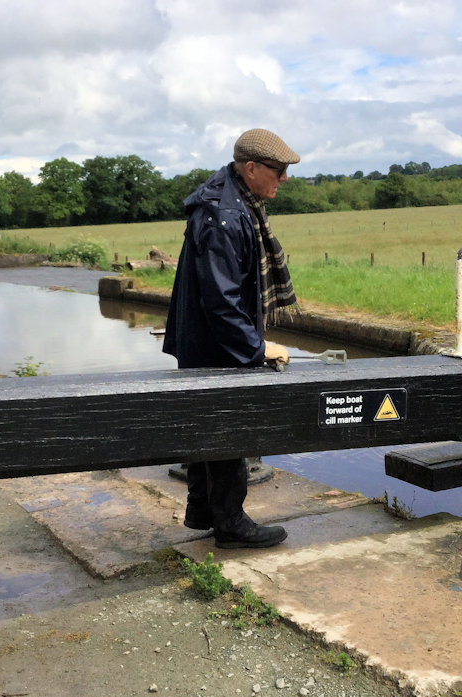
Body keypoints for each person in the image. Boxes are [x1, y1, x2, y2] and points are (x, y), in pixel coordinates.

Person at [162, 128, 299, 549]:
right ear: (252, 168)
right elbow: (221, 300)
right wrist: (257, 348)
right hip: (214, 347)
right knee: (229, 429)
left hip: (205, 343)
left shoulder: (233, 202)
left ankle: (204, 510)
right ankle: (231, 524)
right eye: (278, 170)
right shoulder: (225, 215)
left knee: (209, 427)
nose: (284, 178)